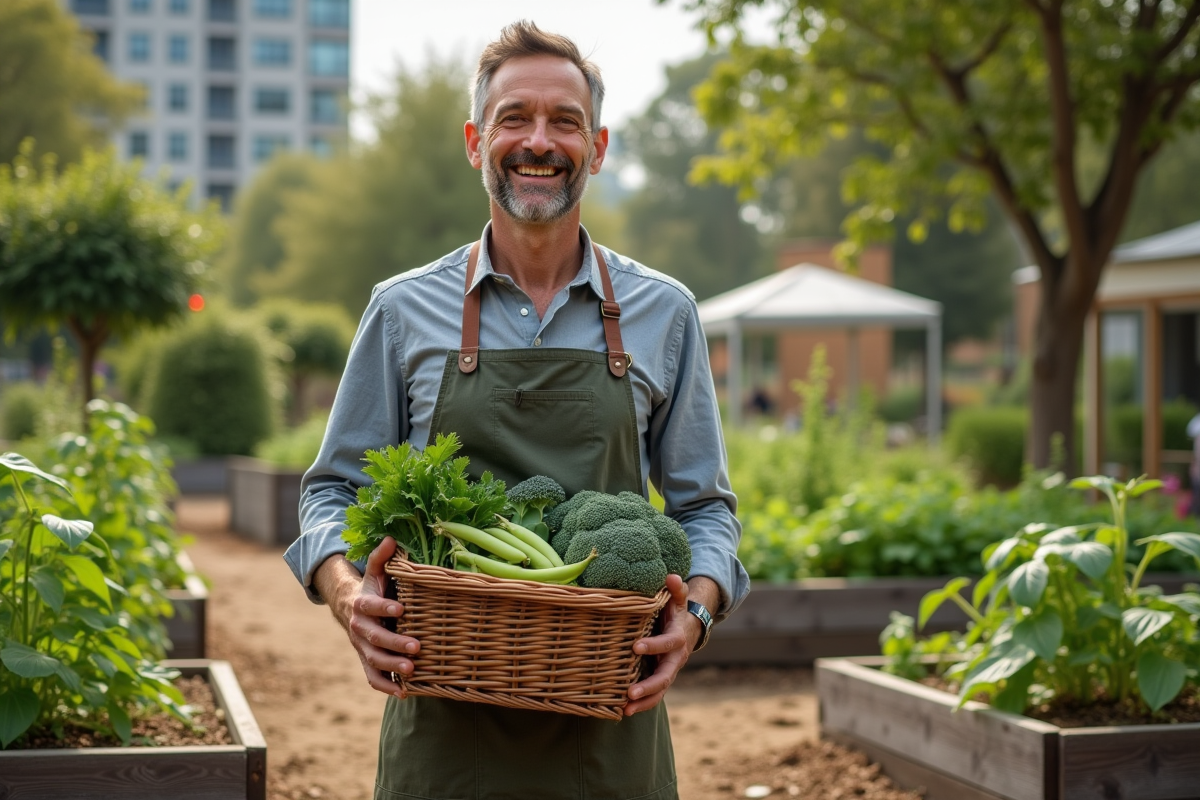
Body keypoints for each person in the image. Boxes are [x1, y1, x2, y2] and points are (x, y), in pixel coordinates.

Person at [283, 21, 749, 800]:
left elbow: (706, 509)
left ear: (597, 147)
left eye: (565, 120)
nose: (540, 141)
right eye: (515, 118)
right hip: (442, 728)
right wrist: (345, 594)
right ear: (476, 141)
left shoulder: (664, 313)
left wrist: (695, 614)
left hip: (611, 729)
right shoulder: (402, 311)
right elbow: (329, 492)